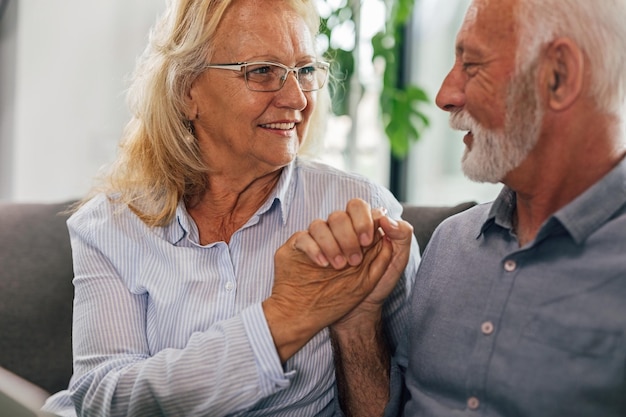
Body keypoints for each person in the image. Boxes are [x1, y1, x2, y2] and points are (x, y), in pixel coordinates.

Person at [41, 0, 419, 415]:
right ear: (187, 91)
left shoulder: (362, 213)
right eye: (261, 71)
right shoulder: (110, 225)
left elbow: (410, 406)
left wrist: (357, 324)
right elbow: (102, 401)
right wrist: (286, 316)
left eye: (305, 70)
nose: (296, 98)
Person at [327, 0, 626, 415]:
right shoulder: (450, 242)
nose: (444, 95)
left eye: (472, 65)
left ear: (558, 75)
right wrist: (357, 320)